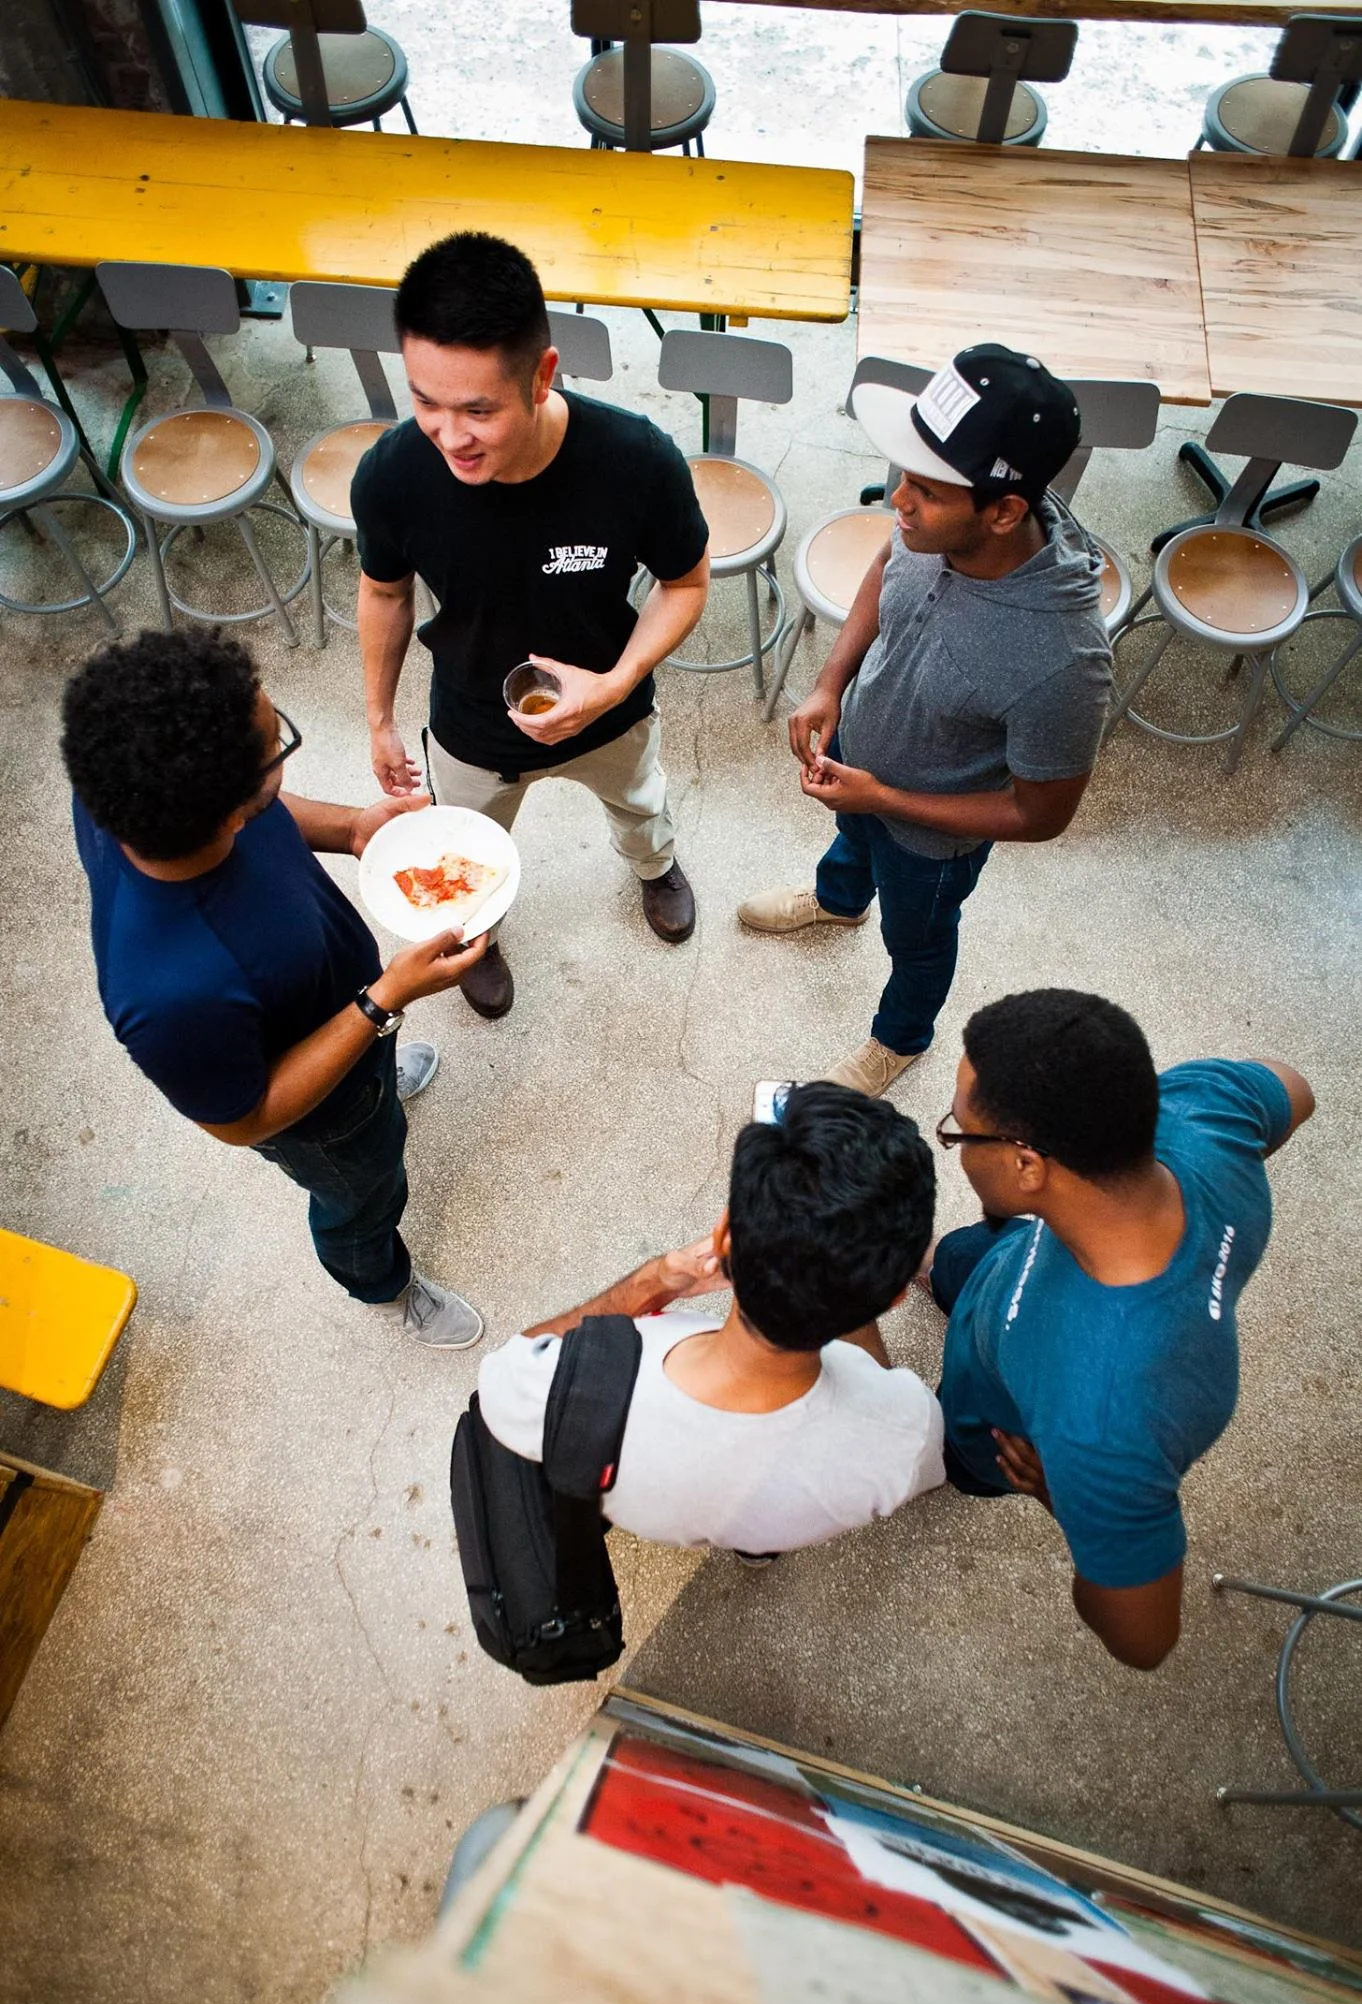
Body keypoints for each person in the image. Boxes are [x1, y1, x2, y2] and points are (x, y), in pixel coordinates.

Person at [62, 627, 491, 1348]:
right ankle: (382, 1284)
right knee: (363, 1191)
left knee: (377, 1086)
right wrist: (382, 1001)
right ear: (227, 808)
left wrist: (353, 828)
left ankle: (381, 1082)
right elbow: (241, 1120)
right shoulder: (170, 994)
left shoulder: (130, 778)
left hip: (341, 1013)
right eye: (277, 750)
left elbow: (265, 813)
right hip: (320, 1118)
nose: (282, 753)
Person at [352, 231, 711, 1022]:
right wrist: (378, 718)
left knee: (641, 802)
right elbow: (383, 592)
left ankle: (656, 869)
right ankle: (480, 932)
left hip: (610, 706)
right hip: (472, 721)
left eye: (478, 409)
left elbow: (686, 583)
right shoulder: (392, 474)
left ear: (543, 376)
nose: (448, 435)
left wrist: (614, 684)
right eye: (425, 401)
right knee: (465, 855)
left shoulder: (634, 460)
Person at [738, 344, 1112, 1098]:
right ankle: (840, 903)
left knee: (918, 940)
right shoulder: (929, 526)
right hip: (862, 761)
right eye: (903, 475)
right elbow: (885, 566)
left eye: (927, 490)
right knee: (849, 844)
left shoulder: (1062, 660)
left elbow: (1041, 815)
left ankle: (901, 1037)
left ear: (1005, 511)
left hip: (930, 843)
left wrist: (886, 799)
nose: (897, 502)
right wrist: (830, 683)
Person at [925, 988, 1314, 1669]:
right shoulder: (1203, 1112)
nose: (953, 1146)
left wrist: (1064, 1497)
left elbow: (1143, 1639)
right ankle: (937, 1269)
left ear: (1026, 1164)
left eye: (957, 1131)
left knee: (944, 1448)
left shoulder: (1105, 1422)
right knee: (960, 1258)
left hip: (990, 1412)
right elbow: (1293, 1089)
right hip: (1010, 1260)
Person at [478, 1082, 944, 1559]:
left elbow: (513, 1363)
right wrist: (848, 1279)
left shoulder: (559, 1388)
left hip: (657, 1511)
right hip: (774, 1520)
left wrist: (653, 1280)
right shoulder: (906, 1429)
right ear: (895, 1298)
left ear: (723, 1235)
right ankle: (755, 1548)